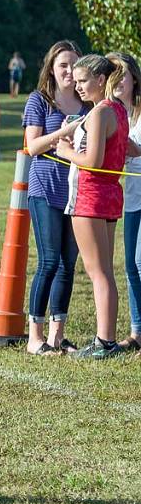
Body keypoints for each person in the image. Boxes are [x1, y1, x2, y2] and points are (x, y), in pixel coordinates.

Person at [56, 54, 128, 359]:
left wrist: (66, 149)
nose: (78, 86)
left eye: (83, 81)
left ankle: (104, 342)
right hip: (109, 196)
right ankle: (106, 340)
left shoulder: (100, 113)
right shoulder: (118, 110)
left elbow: (93, 162)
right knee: (105, 272)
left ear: (101, 80)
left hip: (91, 196)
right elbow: (127, 148)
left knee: (98, 273)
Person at [21, 40, 85, 355]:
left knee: (68, 264)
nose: (69, 71)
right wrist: (62, 134)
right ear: (52, 68)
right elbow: (32, 147)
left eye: (74, 64)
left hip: (76, 192)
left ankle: (57, 336)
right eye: (63, 64)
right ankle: (34, 336)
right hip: (45, 189)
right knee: (49, 260)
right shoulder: (39, 101)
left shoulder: (89, 106)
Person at [111, 52, 141, 353]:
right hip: (132, 198)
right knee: (130, 264)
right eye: (112, 74)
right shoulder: (113, 112)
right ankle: (137, 333)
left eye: (123, 73)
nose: (118, 79)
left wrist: (133, 147)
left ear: (134, 77)